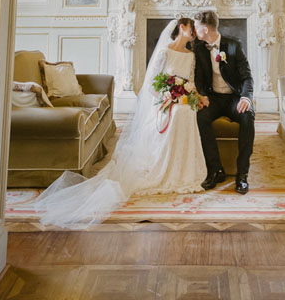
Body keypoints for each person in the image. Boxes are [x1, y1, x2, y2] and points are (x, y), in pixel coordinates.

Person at [34, 17, 208, 228]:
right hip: (163, 101)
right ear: (182, 28)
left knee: (186, 112)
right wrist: (168, 97)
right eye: (191, 29)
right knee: (179, 113)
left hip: (182, 100)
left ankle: (184, 169)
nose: (194, 34)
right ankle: (164, 166)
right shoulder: (164, 52)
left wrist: (195, 97)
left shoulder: (190, 55)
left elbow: (190, 81)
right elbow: (152, 85)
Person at [193, 9, 255, 194]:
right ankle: (215, 170)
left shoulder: (234, 45)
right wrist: (202, 95)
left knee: (247, 118)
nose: (195, 31)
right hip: (213, 99)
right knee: (201, 117)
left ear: (205, 30)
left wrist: (246, 98)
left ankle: (242, 175)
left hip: (234, 98)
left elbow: (247, 77)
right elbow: (198, 78)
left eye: (196, 27)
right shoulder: (198, 48)